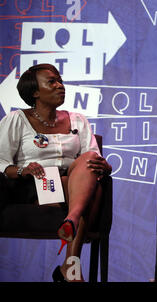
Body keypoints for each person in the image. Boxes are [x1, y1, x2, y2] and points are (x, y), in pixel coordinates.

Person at [0, 63, 112, 282]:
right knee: (90, 194)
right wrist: (23, 169)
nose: (60, 85)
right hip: (37, 182)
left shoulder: (78, 119)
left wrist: (104, 166)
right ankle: (70, 268)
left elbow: (93, 157)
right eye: (51, 81)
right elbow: (1, 163)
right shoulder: (16, 120)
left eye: (60, 80)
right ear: (35, 92)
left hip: (74, 182)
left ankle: (71, 219)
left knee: (89, 160)